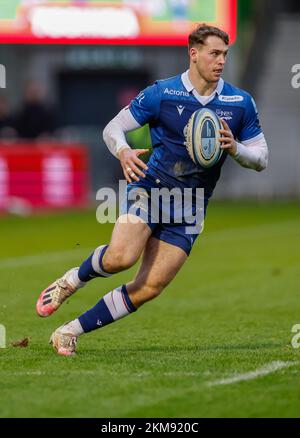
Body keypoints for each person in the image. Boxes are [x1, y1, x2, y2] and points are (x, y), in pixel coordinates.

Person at [36, 24, 269, 356]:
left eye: (225, 55)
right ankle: (72, 280)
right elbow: (113, 127)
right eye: (214, 54)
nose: (220, 62)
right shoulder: (162, 93)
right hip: (151, 190)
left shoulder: (239, 103)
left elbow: (261, 159)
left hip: (191, 206)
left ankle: (69, 331)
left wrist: (235, 149)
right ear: (194, 53)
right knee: (121, 258)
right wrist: (123, 150)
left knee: (149, 287)